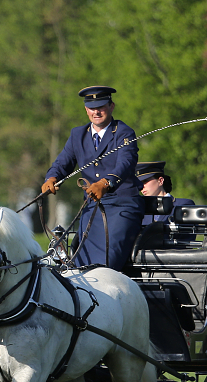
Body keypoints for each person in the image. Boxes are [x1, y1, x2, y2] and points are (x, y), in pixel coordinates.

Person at [41, 86, 143, 270]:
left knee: (105, 264)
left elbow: (126, 162)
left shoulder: (124, 133)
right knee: (79, 264)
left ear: (111, 107)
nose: (97, 112)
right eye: (92, 108)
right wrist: (52, 177)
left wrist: (106, 182)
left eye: (101, 106)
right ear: (86, 109)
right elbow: (63, 161)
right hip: (92, 208)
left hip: (122, 207)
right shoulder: (77, 135)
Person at [137, 161, 195, 227]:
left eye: (145, 181)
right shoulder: (141, 210)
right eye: (139, 183)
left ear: (160, 181)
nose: (141, 187)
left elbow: (187, 236)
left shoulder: (182, 205)